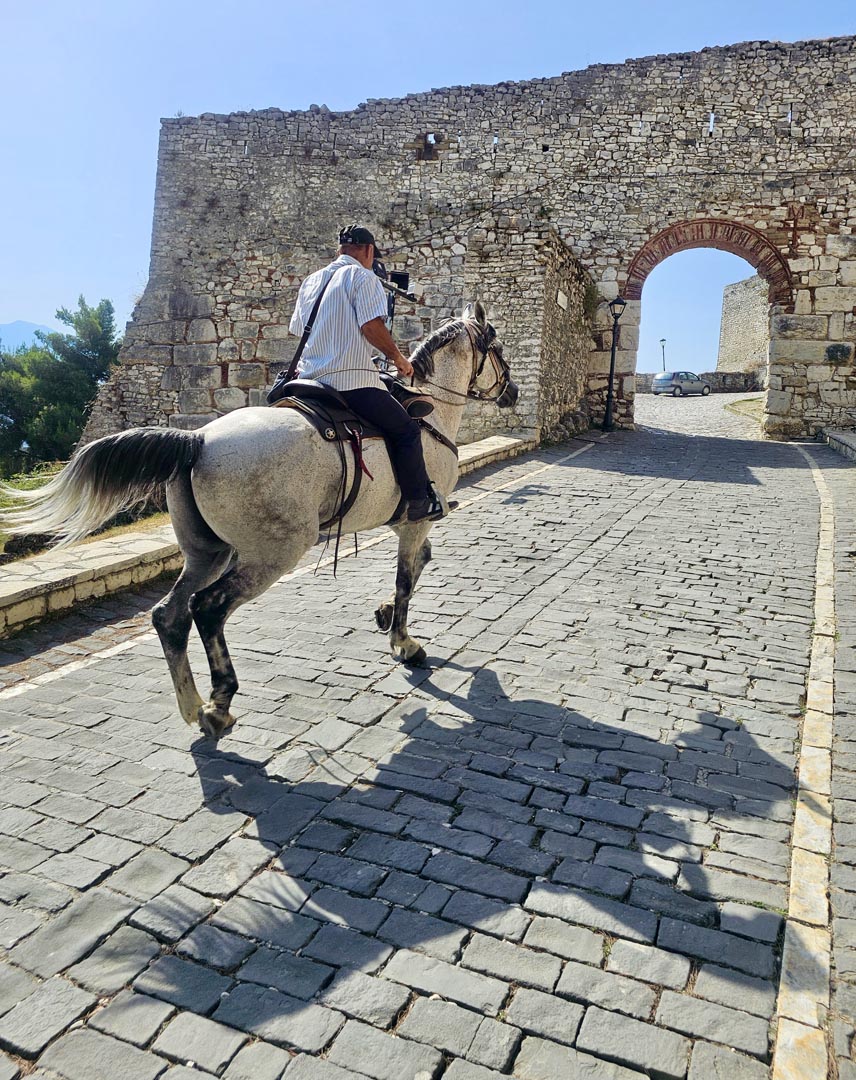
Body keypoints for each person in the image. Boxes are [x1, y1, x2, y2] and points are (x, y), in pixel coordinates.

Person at [289, 224, 439, 523]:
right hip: (350, 382)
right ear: (369, 251)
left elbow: (297, 330)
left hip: (307, 381)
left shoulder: (311, 281)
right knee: (407, 431)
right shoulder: (363, 277)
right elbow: (371, 327)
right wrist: (398, 358)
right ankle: (418, 503)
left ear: (339, 250)